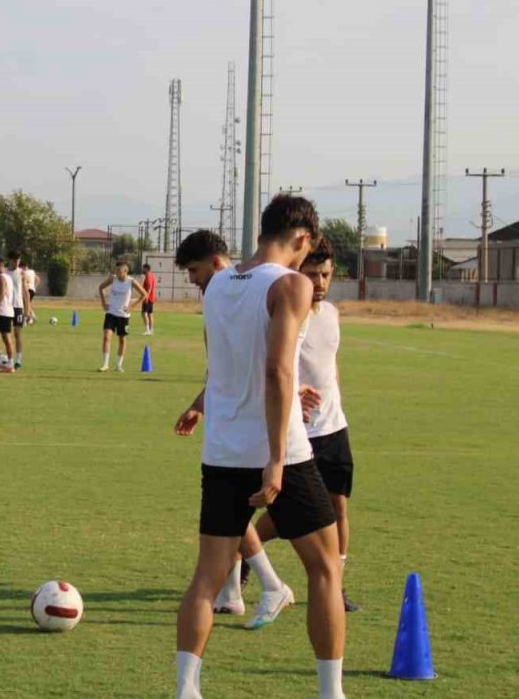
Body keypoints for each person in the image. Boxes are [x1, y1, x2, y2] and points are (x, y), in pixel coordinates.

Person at [172, 196, 346, 699]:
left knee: (207, 577)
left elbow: (222, 369)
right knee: (325, 568)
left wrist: (203, 406)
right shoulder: (292, 284)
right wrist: (274, 459)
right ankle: (330, 693)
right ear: (301, 239)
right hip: (283, 455)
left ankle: (186, 691)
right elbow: (275, 370)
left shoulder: (218, 285)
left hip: (222, 453)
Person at [171, 231, 291, 626]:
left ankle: (270, 586)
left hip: (253, 432)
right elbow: (220, 368)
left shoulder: (260, 291)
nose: (191, 280)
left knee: (242, 518)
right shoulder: (216, 298)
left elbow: (272, 366)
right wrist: (199, 405)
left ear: (218, 264)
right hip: (228, 428)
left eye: (194, 270)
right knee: (232, 518)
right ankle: (240, 591)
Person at [249, 237, 360, 612]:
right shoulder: (287, 312)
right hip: (298, 432)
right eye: (313, 274)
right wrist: (294, 394)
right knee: (282, 516)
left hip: (333, 428)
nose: (321, 282)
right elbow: (273, 366)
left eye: (326, 274)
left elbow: (331, 365)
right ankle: (243, 558)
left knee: (338, 507)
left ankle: (337, 587)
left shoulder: (330, 314)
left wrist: (336, 404)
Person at [97, 261, 147, 372]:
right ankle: (105, 364)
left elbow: (144, 294)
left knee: (122, 340)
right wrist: (104, 303)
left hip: (123, 316)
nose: (116, 272)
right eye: (116, 270)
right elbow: (101, 287)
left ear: (125, 271)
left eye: (119, 270)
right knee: (106, 337)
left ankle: (119, 365)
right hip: (111, 313)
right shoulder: (113, 279)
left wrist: (132, 306)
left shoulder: (131, 282)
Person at [7, 251, 30, 368]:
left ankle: (18, 359)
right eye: (15, 260)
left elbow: (26, 292)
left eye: (18, 260)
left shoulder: (21, 273)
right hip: (6, 307)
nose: (17, 263)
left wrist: (28, 309)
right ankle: (7, 357)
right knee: (5, 334)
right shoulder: (5, 273)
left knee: (17, 333)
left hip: (18, 307)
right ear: (10, 260)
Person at [142, 263, 158, 335]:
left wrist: (146, 297)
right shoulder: (152, 275)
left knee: (144, 313)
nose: (142, 270)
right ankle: (151, 330)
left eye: (143, 268)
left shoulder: (148, 275)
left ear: (146, 269)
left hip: (148, 297)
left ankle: (147, 330)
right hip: (152, 298)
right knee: (150, 313)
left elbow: (149, 287)